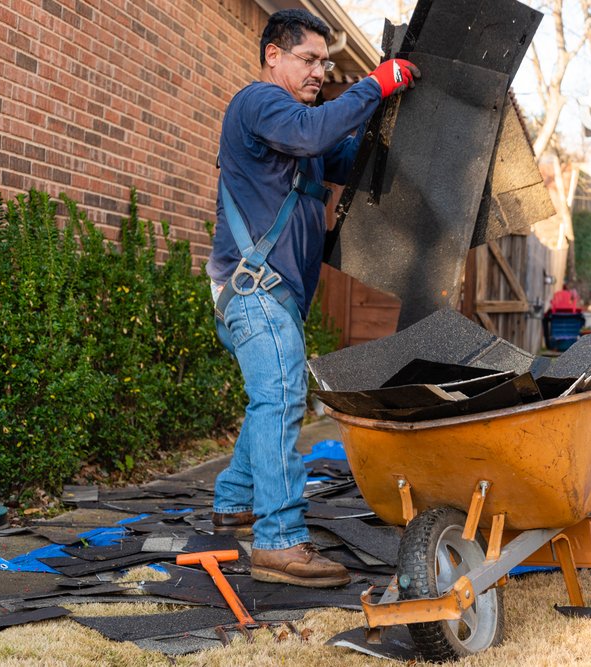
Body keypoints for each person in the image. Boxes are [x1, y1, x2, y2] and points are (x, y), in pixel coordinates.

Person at [205, 9, 419, 587]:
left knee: (268, 399)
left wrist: (400, 124)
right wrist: (374, 84)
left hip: (272, 294)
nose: (320, 71)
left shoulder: (298, 128)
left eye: (325, 63)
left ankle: (235, 500)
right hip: (254, 289)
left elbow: (349, 161)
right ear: (273, 54)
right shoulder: (259, 104)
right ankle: (279, 543)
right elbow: (314, 133)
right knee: (279, 398)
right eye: (309, 59)